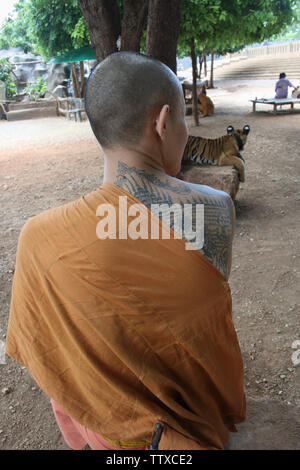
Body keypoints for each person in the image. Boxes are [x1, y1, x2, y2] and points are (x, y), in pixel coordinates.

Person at [5, 52, 246, 450]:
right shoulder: (216, 209)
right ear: (163, 122)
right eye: (184, 118)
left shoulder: (38, 237)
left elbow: (50, 356)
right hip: (193, 428)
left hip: (104, 434)